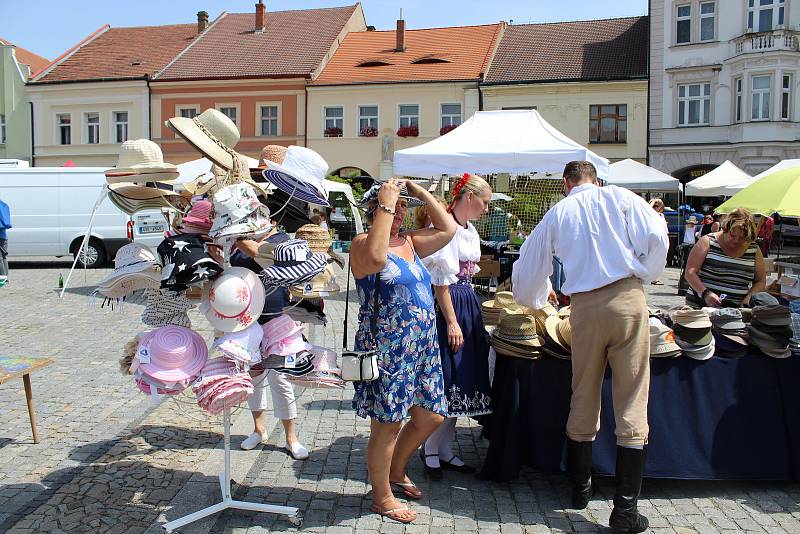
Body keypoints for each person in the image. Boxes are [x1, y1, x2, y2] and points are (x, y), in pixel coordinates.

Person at [512, 161, 668, 534]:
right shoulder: (621, 197)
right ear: (595, 178)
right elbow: (658, 236)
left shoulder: (559, 211)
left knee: (583, 392)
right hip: (628, 298)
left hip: (583, 306)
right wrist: (646, 272)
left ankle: (580, 489)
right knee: (631, 397)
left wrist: (535, 299)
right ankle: (625, 510)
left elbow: (530, 265)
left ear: (566, 183)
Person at [350, 178, 457, 524]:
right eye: (392, 211)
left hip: (422, 346)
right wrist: (385, 203)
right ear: (374, 210)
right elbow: (378, 258)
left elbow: (448, 227)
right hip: (388, 346)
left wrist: (417, 190)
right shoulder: (362, 244)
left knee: (431, 415)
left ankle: (396, 471)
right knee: (388, 424)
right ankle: (382, 497)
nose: (398, 216)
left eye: (402, 211)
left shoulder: (410, 242)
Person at [420, 173, 493, 477]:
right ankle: (430, 448)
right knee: (448, 377)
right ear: (469, 197)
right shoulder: (446, 228)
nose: (486, 208)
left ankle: (445, 448)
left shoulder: (469, 230)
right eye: (484, 202)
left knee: (463, 379)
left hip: (467, 303)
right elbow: (440, 283)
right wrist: (451, 321)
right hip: (450, 306)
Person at [230, 220, 310, 460]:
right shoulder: (240, 239)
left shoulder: (282, 241)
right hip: (247, 318)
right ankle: (259, 429)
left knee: (280, 378)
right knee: (253, 377)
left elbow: (259, 255)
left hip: (279, 318)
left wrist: (237, 238)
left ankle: (291, 438)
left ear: (271, 222)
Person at [684, 207, 766, 308]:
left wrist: (750, 296)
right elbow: (690, 272)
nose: (736, 240)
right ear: (725, 228)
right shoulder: (708, 241)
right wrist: (705, 293)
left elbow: (760, 281)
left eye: (742, 238)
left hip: (735, 311)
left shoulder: (753, 249)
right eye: (733, 235)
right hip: (700, 307)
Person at [648, 198, 667, 285]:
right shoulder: (650, 213)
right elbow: (648, 208)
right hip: (653, 238)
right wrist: (654, 201)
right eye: (655, 206)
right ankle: (653, 278)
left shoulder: (661, 215)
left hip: (663, 237)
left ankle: (655, 277)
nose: (657, 207)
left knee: (661, 259)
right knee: (653, 257)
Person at [0, 197, 9, 287]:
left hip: (0, 236)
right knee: (3, 257)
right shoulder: (2, 205)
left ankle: (2, 280)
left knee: (0, 258)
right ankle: (5, 278)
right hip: (4, 236)